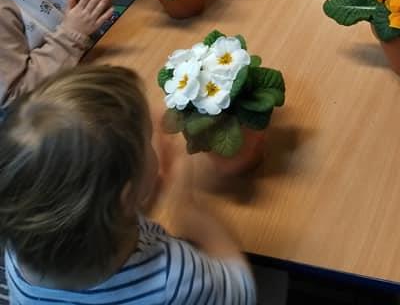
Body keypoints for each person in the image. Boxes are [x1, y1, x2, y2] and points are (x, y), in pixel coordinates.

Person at [0, 64, 256, 303]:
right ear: (126, 196)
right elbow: (240, 289)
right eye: (148, 138)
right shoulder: (172, 277)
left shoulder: (22, 247)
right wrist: (190, 213)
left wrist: (143, 195)